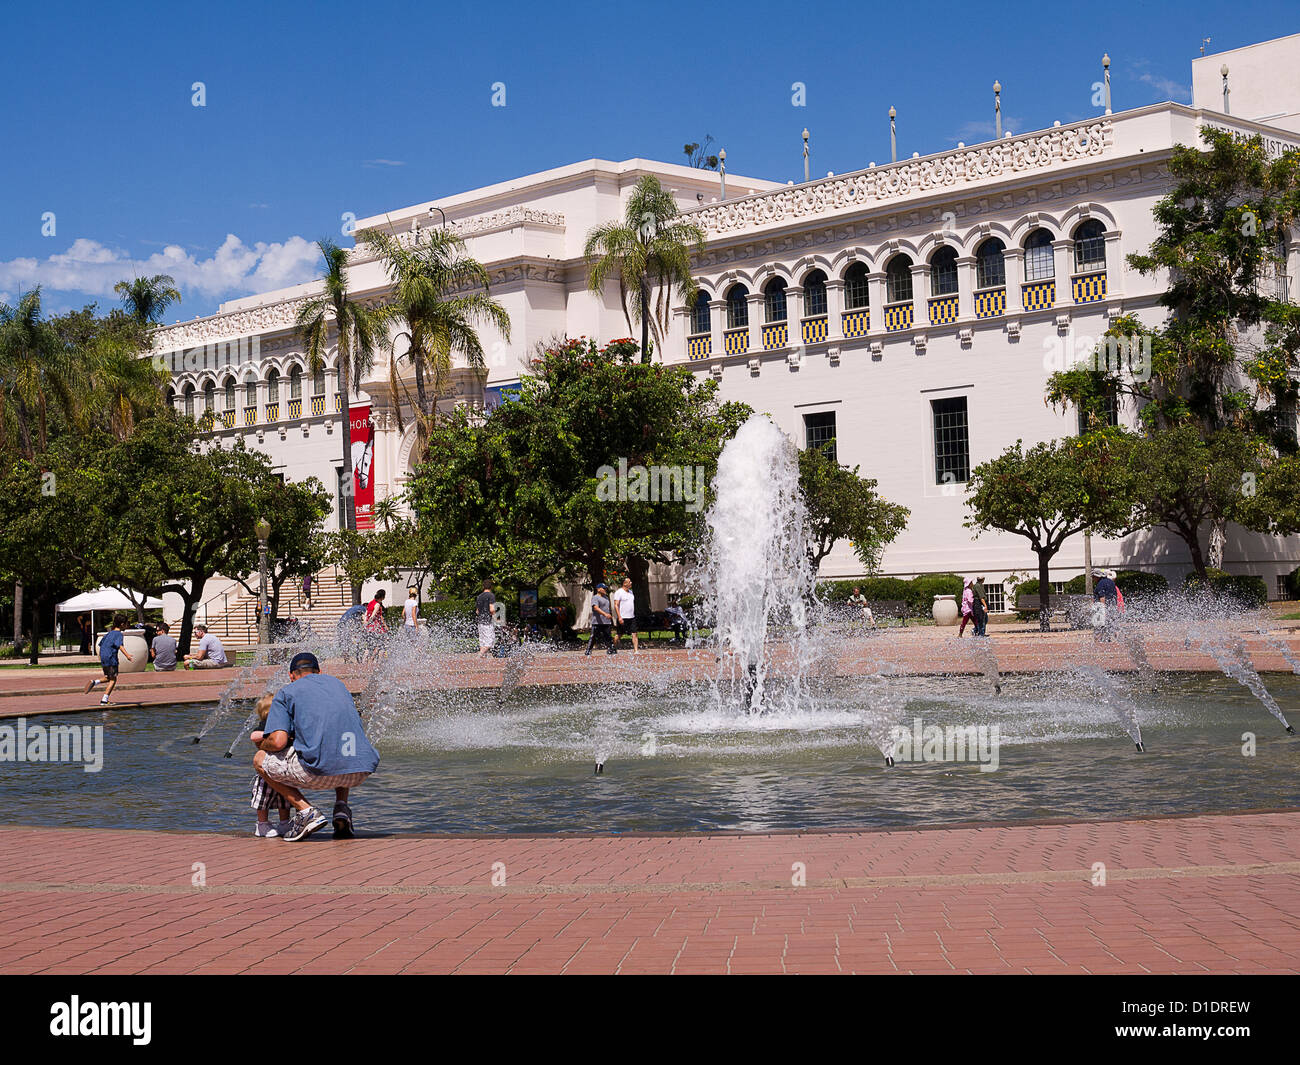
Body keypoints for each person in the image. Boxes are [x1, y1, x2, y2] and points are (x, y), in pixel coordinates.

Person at [253, 653, 381, 841]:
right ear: (319, 672)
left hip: (318, 773)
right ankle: (341, 808)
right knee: (341, 744)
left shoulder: (287, 692)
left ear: (291, 675)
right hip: (359, 770)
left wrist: (261, 743)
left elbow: (278, 741)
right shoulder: (339, 686)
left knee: (260, 760)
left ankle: (306, 811)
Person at [247, 693, 293, 837]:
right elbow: (253, 736)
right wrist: (269, 734)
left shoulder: (286, 724)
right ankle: (262, 824)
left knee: (285, 798)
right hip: (266, 768)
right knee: (263, 798)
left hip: (284, 766)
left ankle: (284, 823)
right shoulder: (266, 725)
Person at [83, 614, 132, 705]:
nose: (127, 626)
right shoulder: (118, 634)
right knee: (113, 680)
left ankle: (95, 682)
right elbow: (120, 645)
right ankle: (104, 700)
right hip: (111, 658)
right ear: (122, 624)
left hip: (104, 657)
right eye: (126, 624)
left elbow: (101, 645)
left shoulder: (109, 633)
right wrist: (127, 655)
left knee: (108, 677)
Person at [585, 583, 616, 655]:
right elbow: (595, 608)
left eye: (605, 588)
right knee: (593, 637)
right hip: (597, 622)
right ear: (598, 589)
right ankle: (588, 651)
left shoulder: (606, 597)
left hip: (606, 622)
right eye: (604, 588)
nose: (605, 590)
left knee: (608, 637)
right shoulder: (595, 598)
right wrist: (605, 614)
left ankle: (611, 649)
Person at [612, 577, 638, 653]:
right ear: (624, 583)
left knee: (635, 633)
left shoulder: (631, 592)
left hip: (631, 617)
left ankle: (636, 650)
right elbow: (616, 605)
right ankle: (613, 647)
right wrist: (619, 617)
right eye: (629, 582)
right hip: (623, 617)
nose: (631, 583)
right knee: (619, 635)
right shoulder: (619, 592)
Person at [476, 581, 496, 656]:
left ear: (483, 587)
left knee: (483, 642)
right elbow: (491, 609)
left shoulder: (479, 596)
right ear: (491, 587)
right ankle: (479, 656)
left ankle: (481, 663)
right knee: (490, 643)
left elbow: (477, 611)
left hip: (480, 622)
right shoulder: (491, 596)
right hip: (487, 622)